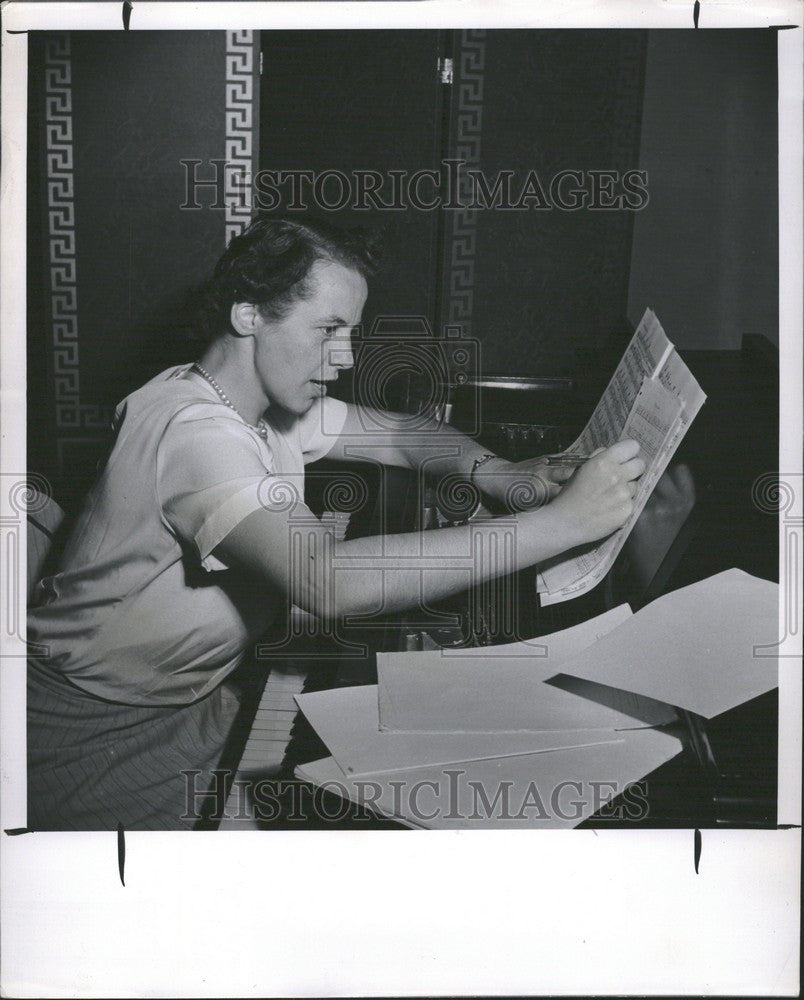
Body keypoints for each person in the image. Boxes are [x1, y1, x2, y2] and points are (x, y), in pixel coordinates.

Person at [27, 217, 645, 830]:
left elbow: (404, 437)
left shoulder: (249, 403)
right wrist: (562, 526)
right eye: (327, 329)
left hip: (178, 700)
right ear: (249, 316)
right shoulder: (196, 433)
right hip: (86, 728)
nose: (345, 356)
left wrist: (500, 473)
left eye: (350, 331)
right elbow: (326, 582)